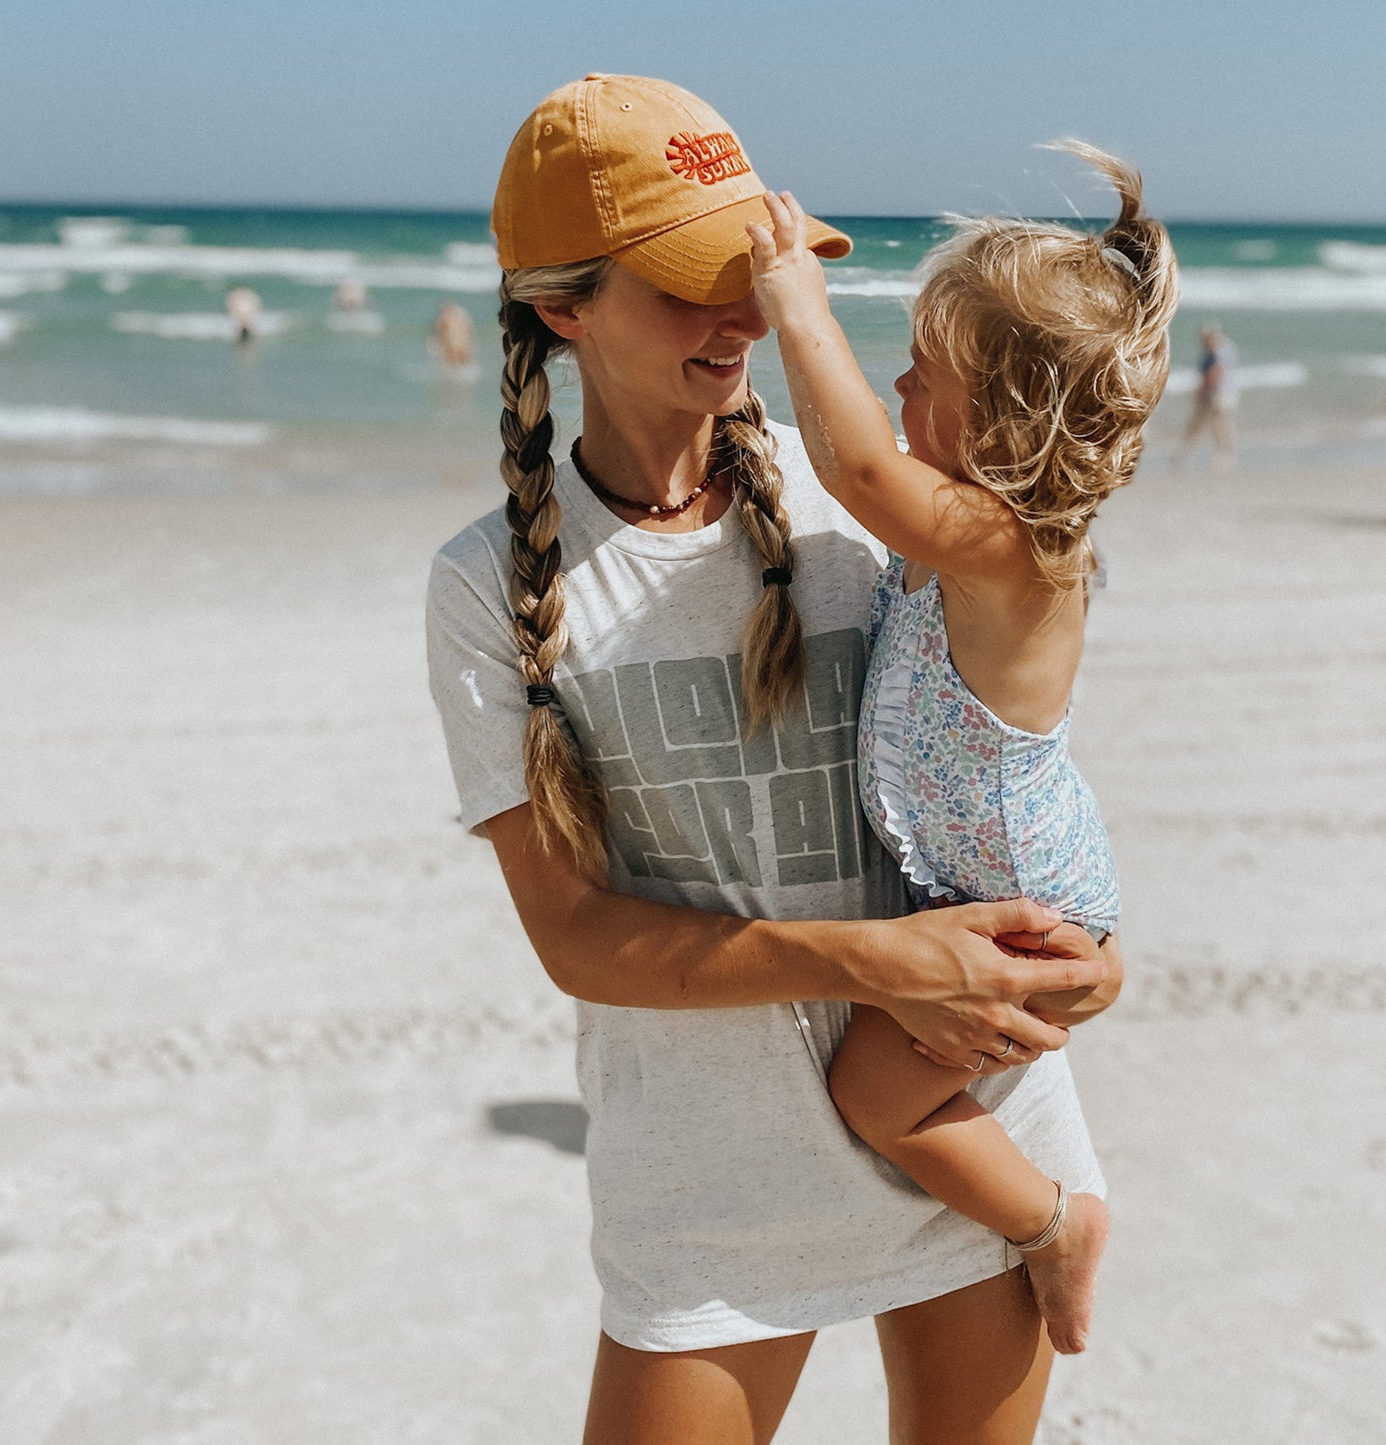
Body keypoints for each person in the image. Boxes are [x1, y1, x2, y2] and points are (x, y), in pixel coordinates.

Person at [427, 75, 1119, 1444]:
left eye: (755, 268)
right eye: (692, 283)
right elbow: (577, 939)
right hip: (708, 1186)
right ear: (561, 307)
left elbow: (1013, 763)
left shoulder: (875, 507)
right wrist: (878, 962)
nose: (744, 311)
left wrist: (1088, 960)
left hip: (969, 1139)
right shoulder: (487, 583)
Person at [746, 150, 1178, 1356]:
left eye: (924, 375)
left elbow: (857, 467)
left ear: (1005, 419)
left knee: (870, 1096)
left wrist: (794, 300)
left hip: (1028, 915)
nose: (895, 384)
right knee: (875, 1093)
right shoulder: (960, 542)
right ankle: (1035, 1219)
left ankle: (1051, 1224)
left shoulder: (1017, 548)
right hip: (990, 893)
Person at [1174, 324, 1238, 471]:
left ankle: (1222, 455)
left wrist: (1201, 390)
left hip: (1216, 394)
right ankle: (1184, 452)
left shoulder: (1217, 351)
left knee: (1217, 425)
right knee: (1207, 423)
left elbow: (1215, 373)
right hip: (1220, 393)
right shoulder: (1223, 350)